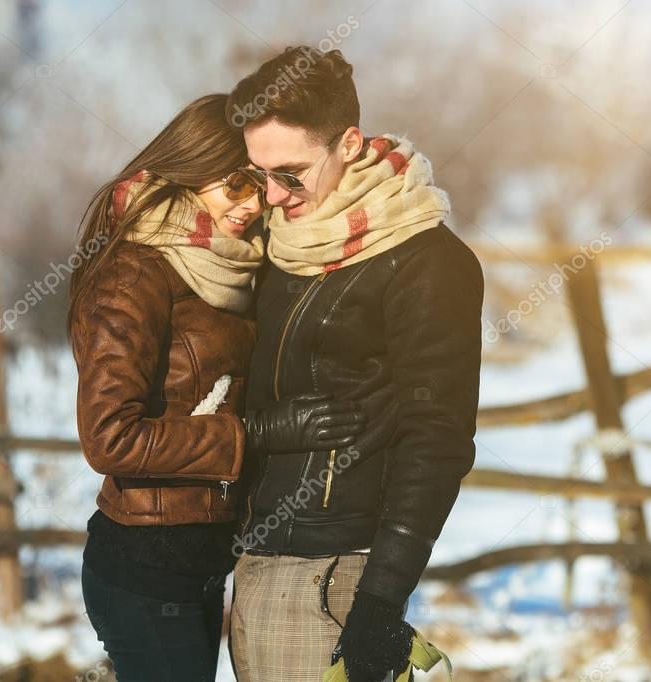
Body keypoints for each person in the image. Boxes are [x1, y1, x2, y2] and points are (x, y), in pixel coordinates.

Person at [67, 93, 366, 682]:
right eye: (235, 185)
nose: (253, 205)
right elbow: (109, 438)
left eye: (260, 185)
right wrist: (253, 435)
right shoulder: (135, 272)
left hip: (197, 565)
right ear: (189, 172)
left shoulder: (228, 265)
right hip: (142, 572)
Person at [225, 47, 485, 682]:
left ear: (347, 143)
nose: (273, 195)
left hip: (335, 575)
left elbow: (439, 438)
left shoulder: (427, 261)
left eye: (291, 173)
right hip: (252, 568)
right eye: (258, 173)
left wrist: (379, 600)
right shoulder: (275, 245)